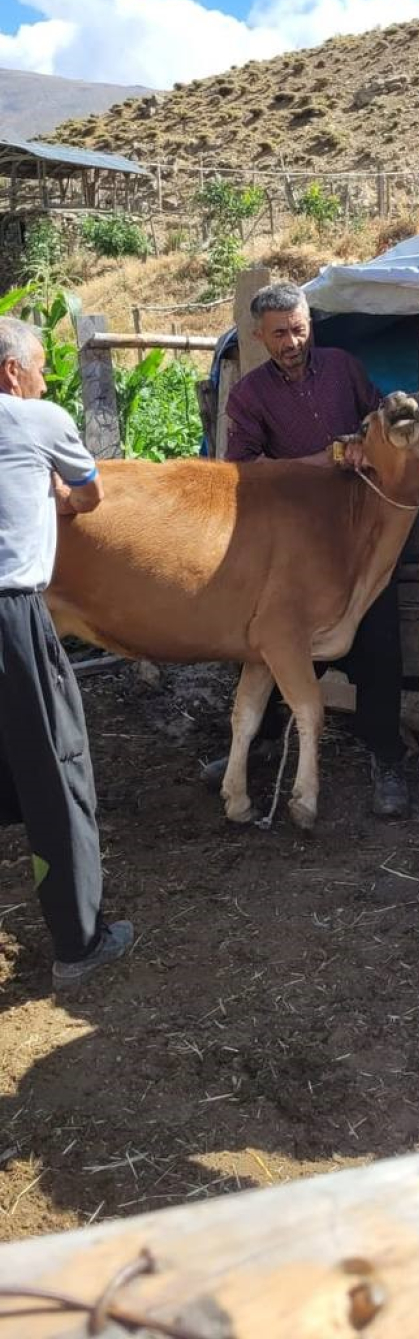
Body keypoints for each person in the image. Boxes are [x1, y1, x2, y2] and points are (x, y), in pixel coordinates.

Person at [215, 280, 409, 819]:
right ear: (259, 336)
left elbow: (377, 423)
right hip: (293, 546)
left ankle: (385, 758)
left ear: (310, 325)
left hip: (355, 534)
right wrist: (318, 462)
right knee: (271, 645)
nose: (292, 341)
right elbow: (244, 471)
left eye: (299, 329)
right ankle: (257, 747)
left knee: (380, 643)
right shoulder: (249, 395)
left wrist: (364, 444)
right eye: (279, 333)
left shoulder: (345, 367)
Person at [0, 317, 132, 990]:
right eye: (42, 365)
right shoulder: (37, 417)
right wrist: (52, 495)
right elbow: (89, 494)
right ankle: (81, 945)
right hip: (11, 619)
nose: (47, 378)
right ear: (10, 373)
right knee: (57, 772)